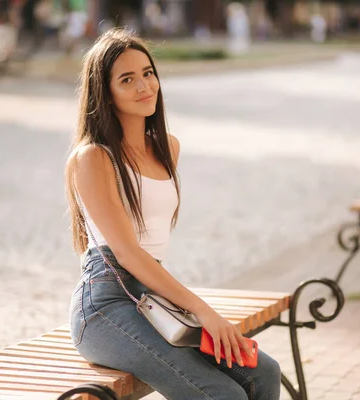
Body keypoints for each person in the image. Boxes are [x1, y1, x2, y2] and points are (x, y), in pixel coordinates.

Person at [65, 28, 281, 400]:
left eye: (148, 73)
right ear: (106, 93)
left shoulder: (167, 148)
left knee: (264, 373)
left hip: (151, 297)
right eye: (127, 79)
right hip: (104, 306)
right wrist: (202, 310)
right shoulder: (93, 158)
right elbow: (129, 254)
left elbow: (150, 256)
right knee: (220, 394)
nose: (144, 86)